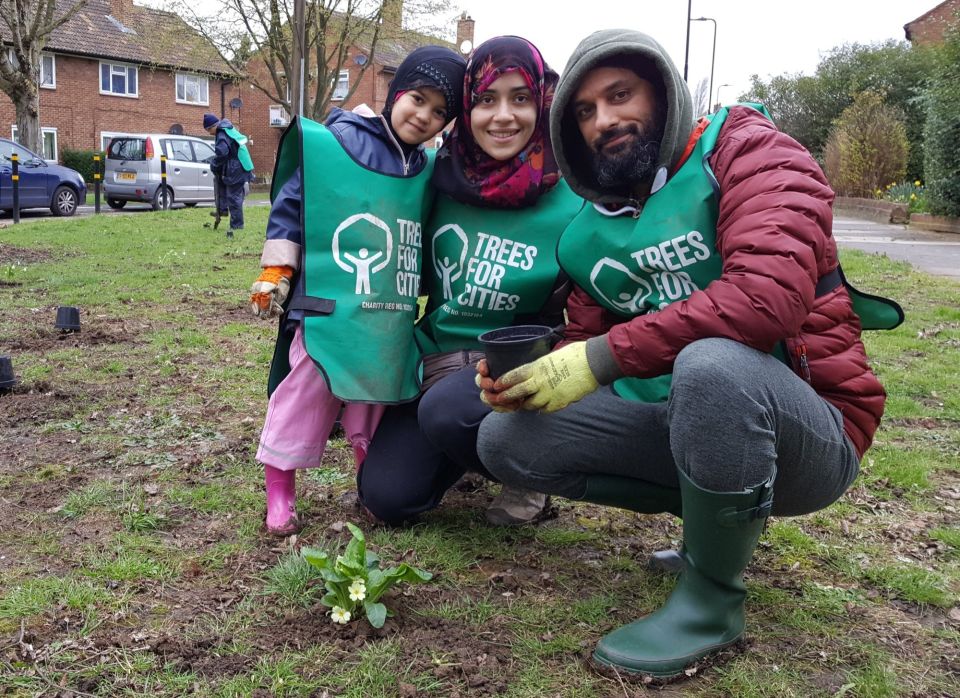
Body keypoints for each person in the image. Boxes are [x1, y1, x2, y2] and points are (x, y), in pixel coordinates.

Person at [476, 29, 901, 679]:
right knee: (509, 438)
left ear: (665, 90)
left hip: (812, 428)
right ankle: (709, 529)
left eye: (621, 95)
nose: (605, 120)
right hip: (687, 421)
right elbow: (585, 340)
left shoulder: (751, 152)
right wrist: (534, 375)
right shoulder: (594, 225)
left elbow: (767, 298)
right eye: (585, 111)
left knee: (712, 364)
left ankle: (711, 600)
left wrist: (600, 357)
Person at [357, 36, 584, 527]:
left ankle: (531, 472)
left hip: (514, 372)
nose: (503, 116)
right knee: (388, 498)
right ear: (467, 108)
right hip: (434, 363)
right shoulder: (436, 179)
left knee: (446, 413)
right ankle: (463, 451)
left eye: (520, 98)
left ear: (542, 103)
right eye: (486, 100)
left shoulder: (572, 197)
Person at [248, 45, 467, 536]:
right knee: (306, 393)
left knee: (374, 396)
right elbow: (294, 204)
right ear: (395, 93)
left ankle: (368, 474)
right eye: (418, 98)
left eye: (440, 112)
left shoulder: (425, 167)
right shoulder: (338, 143)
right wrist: (277, 270)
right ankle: (280, 491)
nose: (426, 116)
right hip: (328, 308)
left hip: (386, 315)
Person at [204, 112, 255, 236]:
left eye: (208, 130)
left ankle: (237, 226)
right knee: (229, 191)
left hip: (236, 167)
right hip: (240, 165)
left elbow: (222, 153)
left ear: (213, 126)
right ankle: (222, 210)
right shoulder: (227, 129)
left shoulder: (222, 134)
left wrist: (214, 164)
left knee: (234, 197)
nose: (209, 133)